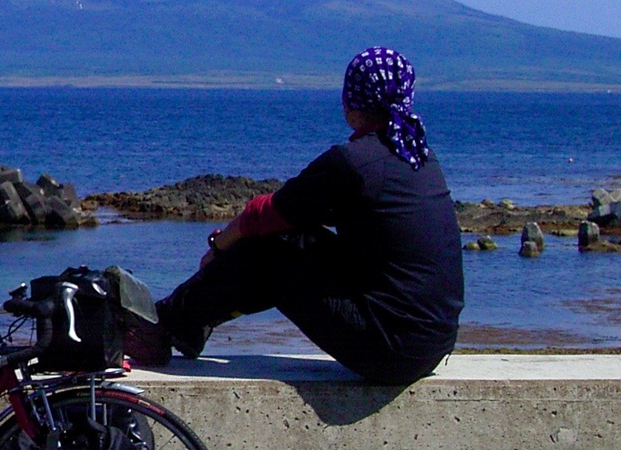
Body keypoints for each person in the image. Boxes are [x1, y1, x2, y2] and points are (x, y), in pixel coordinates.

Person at [129, 48, 464, 384]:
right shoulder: (420, 157)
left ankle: (164, 328)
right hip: (431, 344)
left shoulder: (354, 163)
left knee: (270, 251)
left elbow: (264, 214)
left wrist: (219, 248)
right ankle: (184, 325)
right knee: (299, 239)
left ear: (353, 100)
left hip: (391, 351)